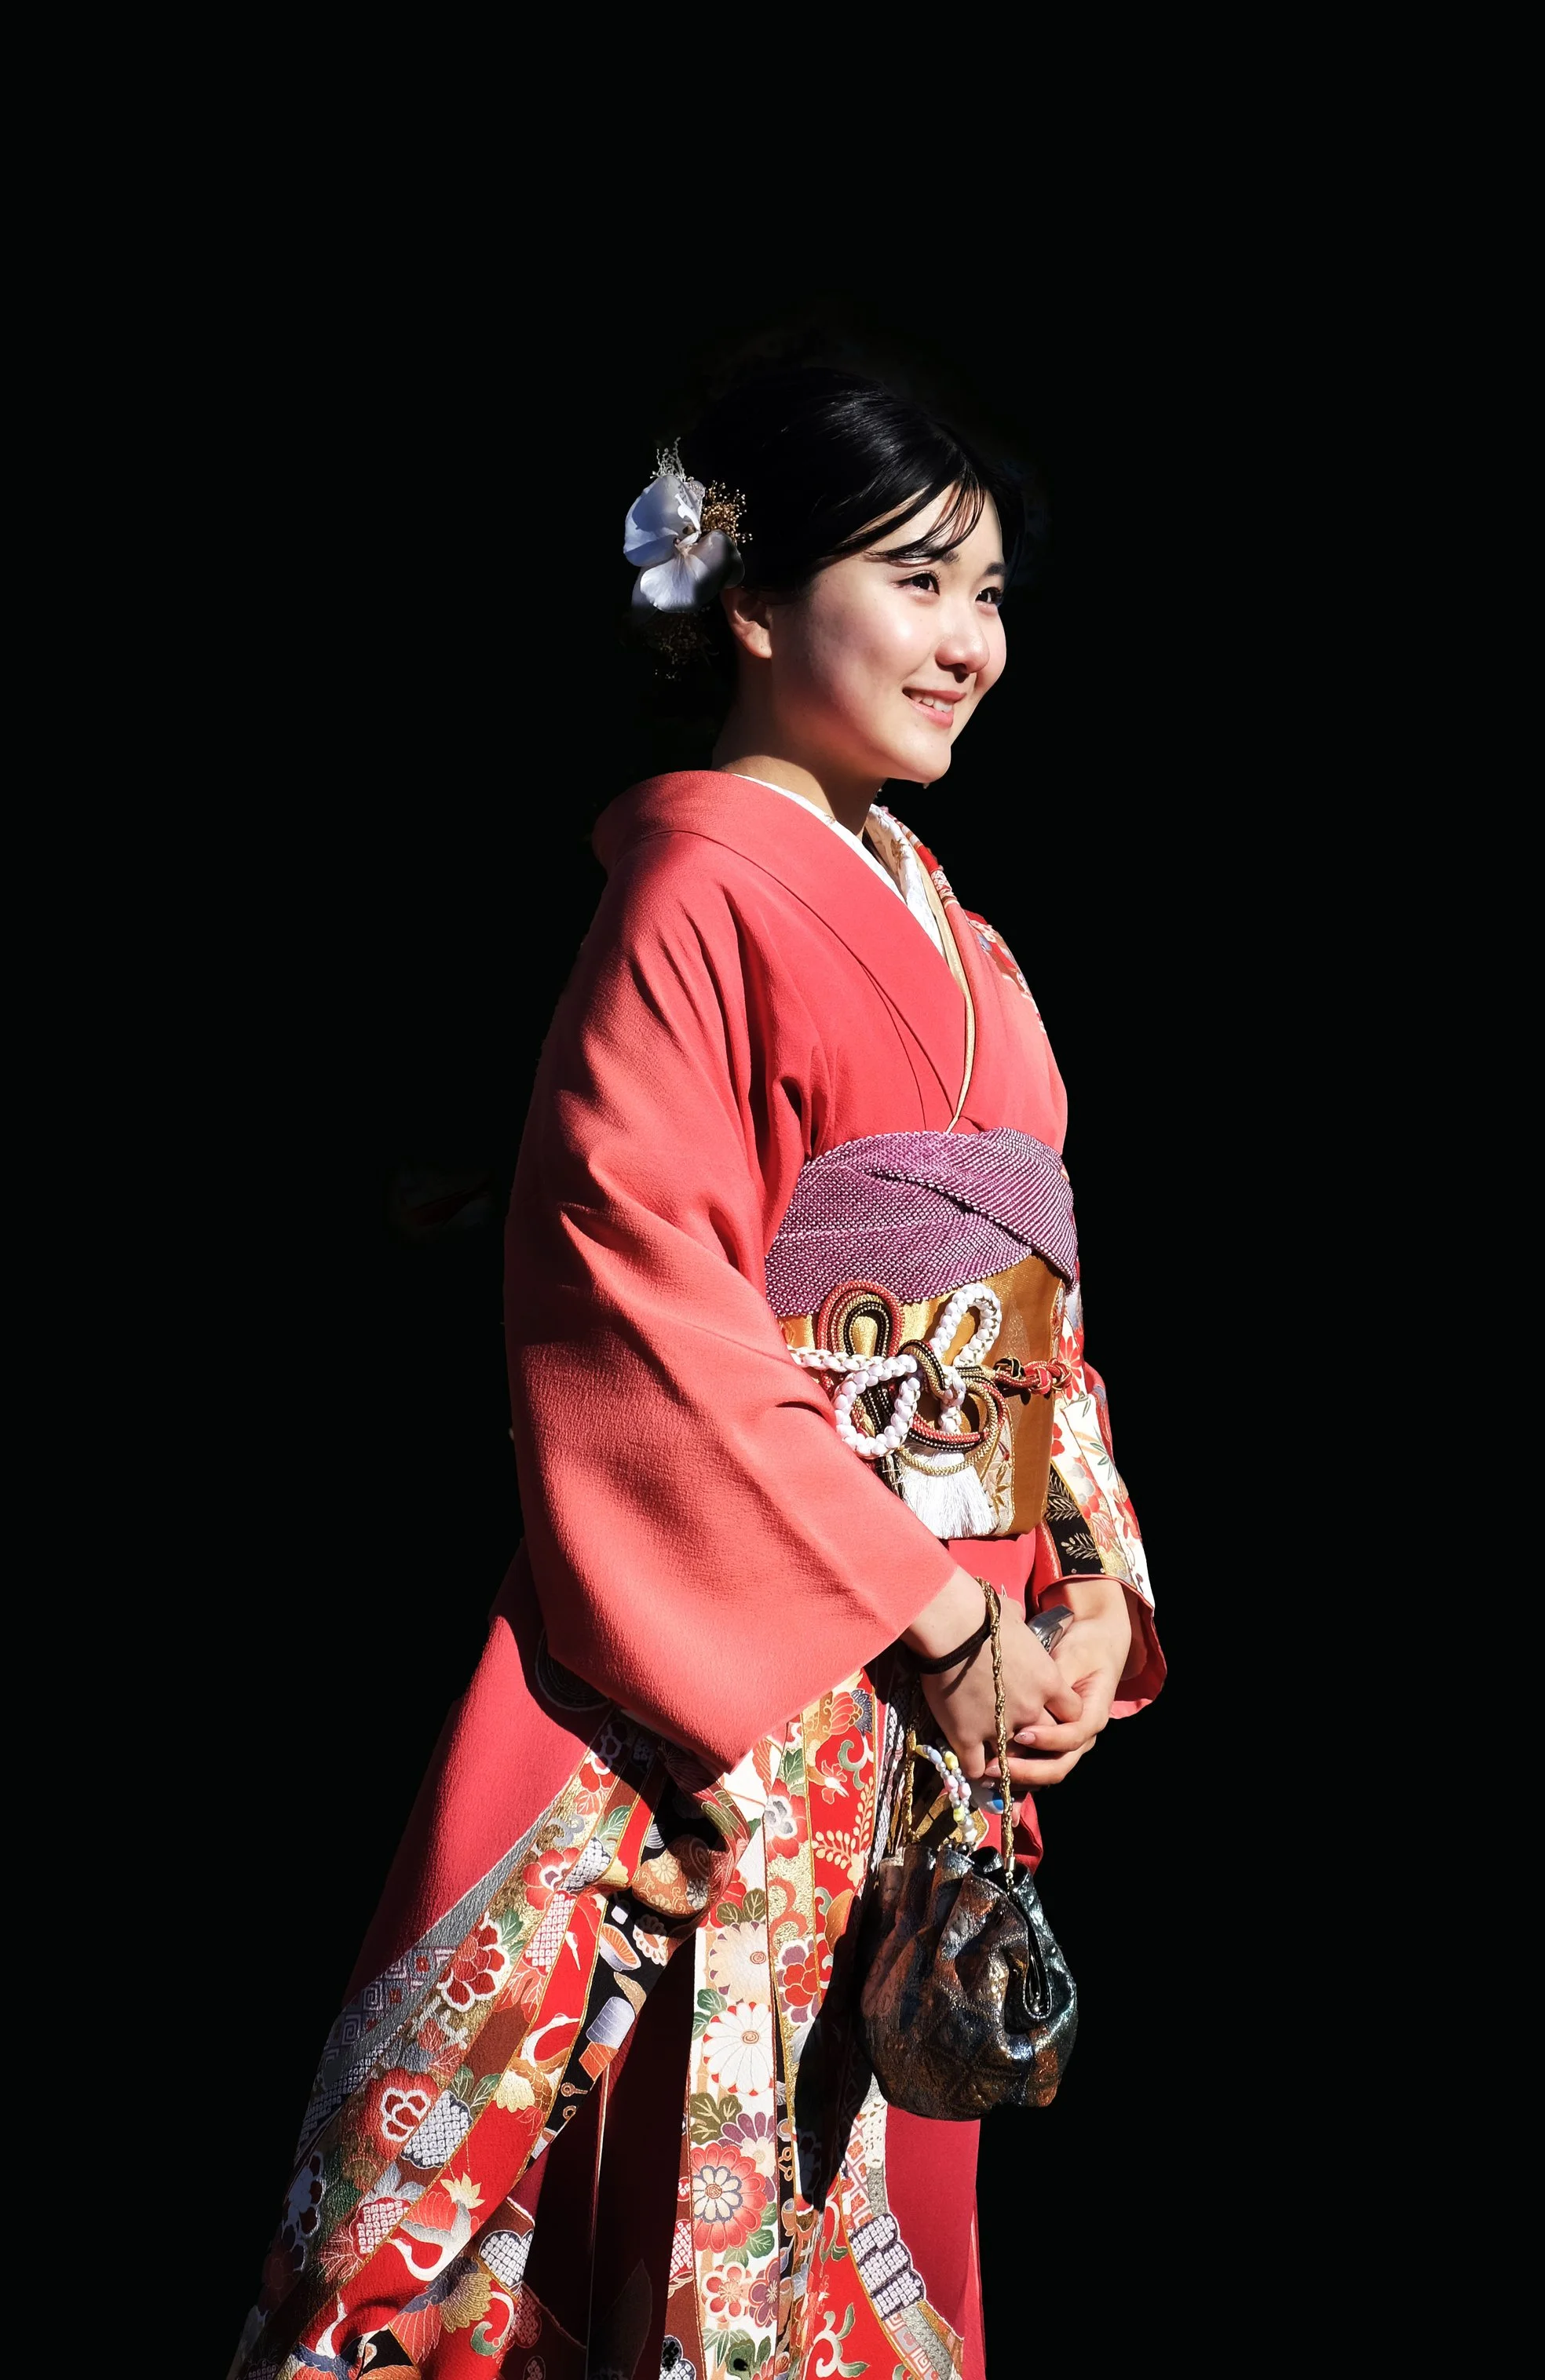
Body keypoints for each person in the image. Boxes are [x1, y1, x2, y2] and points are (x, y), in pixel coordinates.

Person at [233, 367, 1163, 2380]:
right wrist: (927, 1602)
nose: (969, 642)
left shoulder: (965, 938)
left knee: (859, 2221)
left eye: (990, 593)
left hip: (930, 1699)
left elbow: (1033, 1319)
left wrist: (1081, 1585)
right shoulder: (692, 885)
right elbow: (636, 1288)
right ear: (747, 600)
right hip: (734, 1694)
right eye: (917, 582)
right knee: (619, 2220)